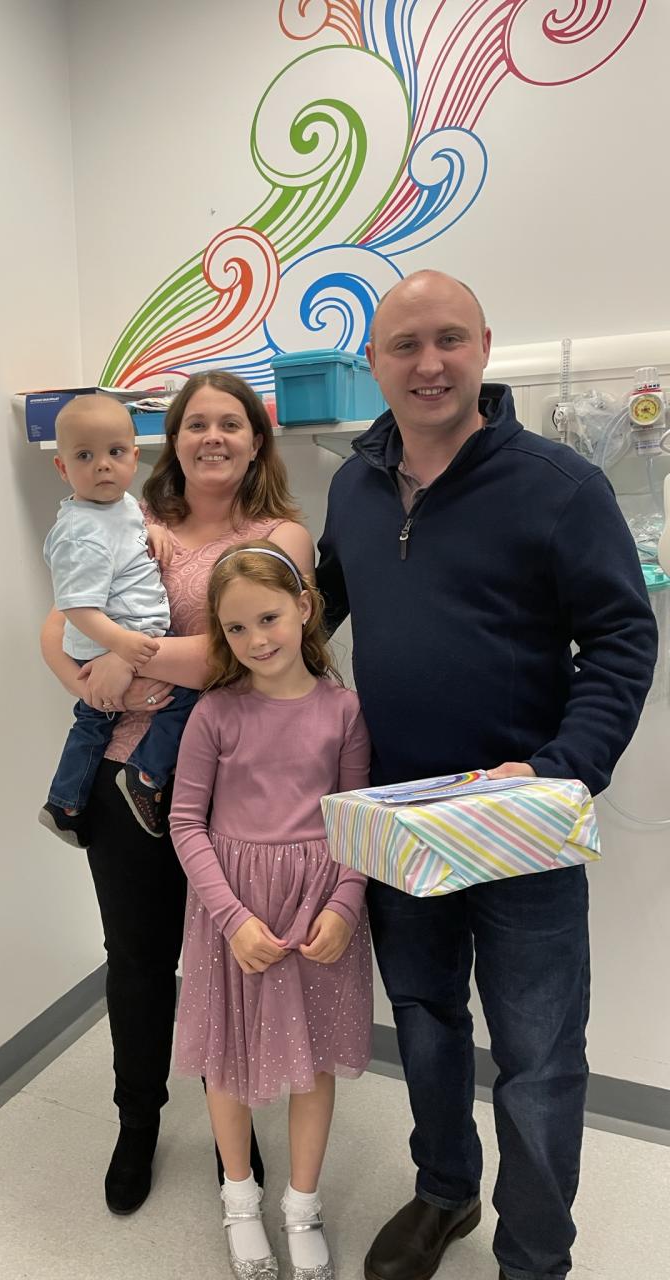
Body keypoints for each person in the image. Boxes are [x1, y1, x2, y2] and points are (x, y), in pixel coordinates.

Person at [315, 270, 658, 1280]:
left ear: (484, 347)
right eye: (405, 344)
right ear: (372, 362)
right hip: (398, 823)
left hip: (523, 827)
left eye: (449, 339)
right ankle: (445, 1192)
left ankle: (536, 1255)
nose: (429, 362)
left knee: (540, 1060)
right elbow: (307, 618)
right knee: (423, 1022)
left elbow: (622, 641)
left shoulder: (561, 487)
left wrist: (560, 774)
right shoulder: (351, 485)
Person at [40, 371, 314, 1215]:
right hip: (132, 777)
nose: (213, 437)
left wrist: (132, 654)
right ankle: (137, 1122)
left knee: (226, 966)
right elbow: (57, 623)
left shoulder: (283, 537)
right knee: (139, 962)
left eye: (231, 423)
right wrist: (92, 679)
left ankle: (233, 1136)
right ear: (175, 438)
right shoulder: (133, 519)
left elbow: (234, 658)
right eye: (197, 423)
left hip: (241, 789)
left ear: (255, 439)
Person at [170, 542, 372, 1280]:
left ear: (304, 610)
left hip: (318, 910)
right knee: (227, 1061)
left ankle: (302, 1207)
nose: (257, 639)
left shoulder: (345, 710)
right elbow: (186, 824)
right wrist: (231, 918)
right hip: (237, 912)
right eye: (236, 629)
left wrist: (346, 905)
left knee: (312, 1063)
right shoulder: (214, 714)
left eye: (269, 618)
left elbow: (354, 818)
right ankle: (239, 1201)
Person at [38, 395, 198, 843]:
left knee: (92, 721)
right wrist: (124, 649)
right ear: (63, 468)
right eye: (85, 456)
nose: (103, 466)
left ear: (134, 454)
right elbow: (75, 606)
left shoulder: (121, 506)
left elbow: (125, 537)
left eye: (115, 452)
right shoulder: (79, 533)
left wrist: (154, 530)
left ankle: (65, 802)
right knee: (184, 696)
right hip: (117, 639)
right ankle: (146, 776)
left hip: (125, 637)